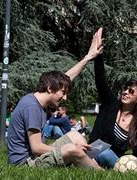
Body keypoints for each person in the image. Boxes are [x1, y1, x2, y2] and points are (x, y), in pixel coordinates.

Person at [7, 29, 104, 169]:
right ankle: (102, 174)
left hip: (34, 157)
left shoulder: (39, 99)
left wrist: (88, 57)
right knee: (72, 148)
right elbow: (36, 148)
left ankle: (95, 167)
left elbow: (66, 78)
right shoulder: (31, 107)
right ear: (50, 89)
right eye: (63, 93)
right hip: (25, 164)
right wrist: (73, 150)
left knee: (75, 136)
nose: (65, 97)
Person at [89, 28, 137, 169]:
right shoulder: (111, 104)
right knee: (104, 153)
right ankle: (128, 169)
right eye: (125, 89)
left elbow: (136, 152)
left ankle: (124, 168)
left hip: (120, 156)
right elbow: (101, 81)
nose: (125, 93)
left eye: (131, 91)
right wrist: (98, 55)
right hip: (100, 150)